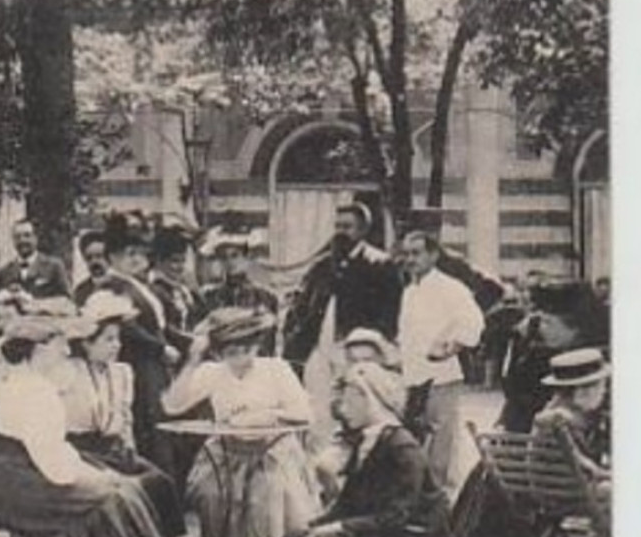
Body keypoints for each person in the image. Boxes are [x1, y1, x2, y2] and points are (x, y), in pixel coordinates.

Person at [180, 361, 457, 537]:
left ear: (368, 398)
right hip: (385, 530)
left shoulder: (402, 448)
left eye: (349, 401)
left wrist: (335, 528)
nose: (343, 410)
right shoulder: (367, 440)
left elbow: (398, 516)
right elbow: (349, 502)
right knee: (302, 534)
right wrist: (316, 526)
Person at [0, 313, 190, 537]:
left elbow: (53, 452)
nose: (67, 352)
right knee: (117, 496)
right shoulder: (36, 392)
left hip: (18, 477)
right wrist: (95, 476)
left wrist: (91, 472)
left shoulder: (24, 383)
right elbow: (54, 467)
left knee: (123, 488)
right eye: (60, 345)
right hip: (28, 487)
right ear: (39, 350)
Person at [161, 307, 320, 537]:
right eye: (231, 353)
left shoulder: (276, 370)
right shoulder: (212, 373)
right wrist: (193, 360)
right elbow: (172, 406)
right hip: (226, 452)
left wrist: (267, 415)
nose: (240, 359)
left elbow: (305, 414)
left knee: (265, 495)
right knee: (209, 493)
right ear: (219, 353)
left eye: (246, 350)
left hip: (272, 449)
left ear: (257, 346)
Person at [54, 291, 186, 537]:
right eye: (108, 340)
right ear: (86, 343)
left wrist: (130, 452)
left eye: (118, 339)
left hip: (114, 449)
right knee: (127, 494)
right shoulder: (69, 372)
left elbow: (125, 420)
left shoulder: (123, 373)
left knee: (160, 483)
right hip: (81, 452)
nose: (117, 345)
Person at [281, 202, 402, 443]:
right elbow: (303, 304)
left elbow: (391, 315)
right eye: (337, 226)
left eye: (347, 227)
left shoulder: (380, 265)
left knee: (355, 407)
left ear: (362, 230)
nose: (340, 232)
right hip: (319, 349)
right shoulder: (323, 266)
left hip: (357, 351)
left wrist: (372, 348)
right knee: (316, 408)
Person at [397, 230, 485, 499]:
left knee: (442, 443)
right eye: (406, 254)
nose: (410, 260)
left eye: (416, 253)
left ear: (433, 255)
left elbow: (474, 322)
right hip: (413, 376)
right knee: (419, 439)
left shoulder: (451, 287)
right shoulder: (410, 291)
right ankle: (423, 498)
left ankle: (443, 502)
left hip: (442, 377)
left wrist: (451, 346)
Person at [94, 219, 177, 473]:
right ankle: (154, 486)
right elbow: (128, 329)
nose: (136, 259)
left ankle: (166, 487)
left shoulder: (138, 285)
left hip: (155, 365)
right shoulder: (112, 286)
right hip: (139, 363)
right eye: (129, 254)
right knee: (148, 423)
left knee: (161, 422)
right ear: (112, 257)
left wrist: (184, 340)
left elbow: (158, 325)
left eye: (140, 253)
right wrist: (160, 348)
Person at [533, 349, 612, 537]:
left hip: (546, 493)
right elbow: (586, 467)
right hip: (570, 495)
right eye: (601, 387)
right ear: (583, 391)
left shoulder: (550, 413)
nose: (604, 393)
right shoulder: (563, 423)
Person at [499, 279, 606, 432]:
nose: (540, 328)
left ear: (574, 328)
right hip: (531, 429)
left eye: (548, 322)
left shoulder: (592, 357)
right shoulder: (532, 351)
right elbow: (513, 390)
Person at [196, 229, 280, 352]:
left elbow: (270, 339)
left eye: (235, 255)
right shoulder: (209, 295)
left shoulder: (265, 296)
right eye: (224, 257)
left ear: (246, 257)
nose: (230, 262)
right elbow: (202, 334)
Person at [0, 218, 71, 301]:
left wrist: (33, 301)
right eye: (17, 237)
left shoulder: (54, 266)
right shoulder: (5, 272)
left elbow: (67, 301)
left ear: (36, 238)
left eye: (27, 235)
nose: (22, 240)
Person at [72, 229, 111, 307]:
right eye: (89, 258)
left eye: (99, 256)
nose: (94, 262)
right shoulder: (80, 291)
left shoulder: (124, 287)